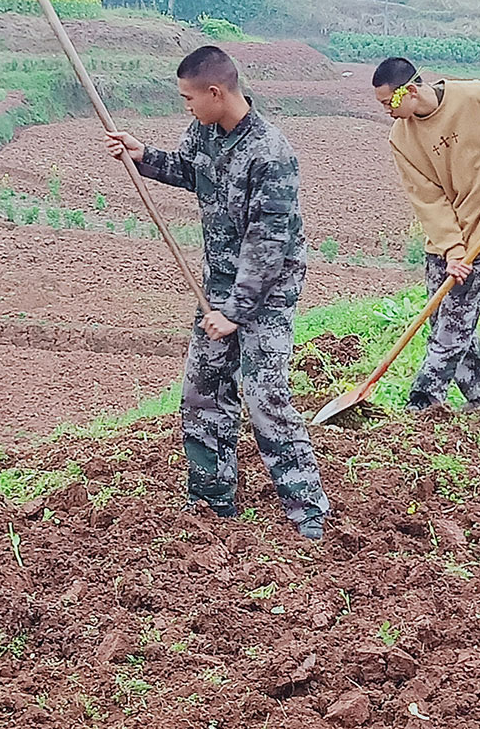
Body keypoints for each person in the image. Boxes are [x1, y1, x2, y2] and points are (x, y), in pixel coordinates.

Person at [105, 45, 330, 540]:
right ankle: (211, 499)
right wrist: (144, 157)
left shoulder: (271, 152)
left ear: (216, 92)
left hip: (265, 292)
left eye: (188, 97)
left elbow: (268, 242)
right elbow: (189, 170)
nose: (184, 105)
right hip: (219, 287)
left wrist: (236, 311)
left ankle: (307, 509)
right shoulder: (204, 132)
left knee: (265, 395)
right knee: (203, 392)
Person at [372, 56, 480, 412]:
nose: (388, 112)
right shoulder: (401, 138)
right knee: (443, 319)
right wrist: (451, 249)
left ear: (411, 90)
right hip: (443, 240)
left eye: (389, 103)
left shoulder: (476, 96)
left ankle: (422, 404)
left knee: (452, 326)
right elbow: (427, 197)